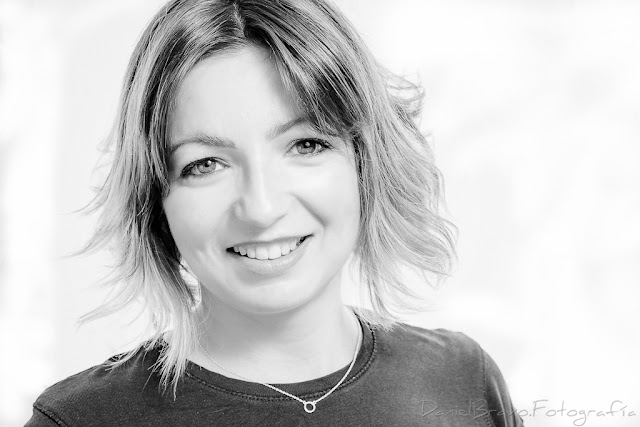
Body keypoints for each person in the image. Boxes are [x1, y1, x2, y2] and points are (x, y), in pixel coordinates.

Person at [26, 0, 524, 425]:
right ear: (156, 199)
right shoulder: (81, 419)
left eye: (305, 144)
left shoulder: (462, 381)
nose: (261, 208)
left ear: (364, 163)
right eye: (206, 164)